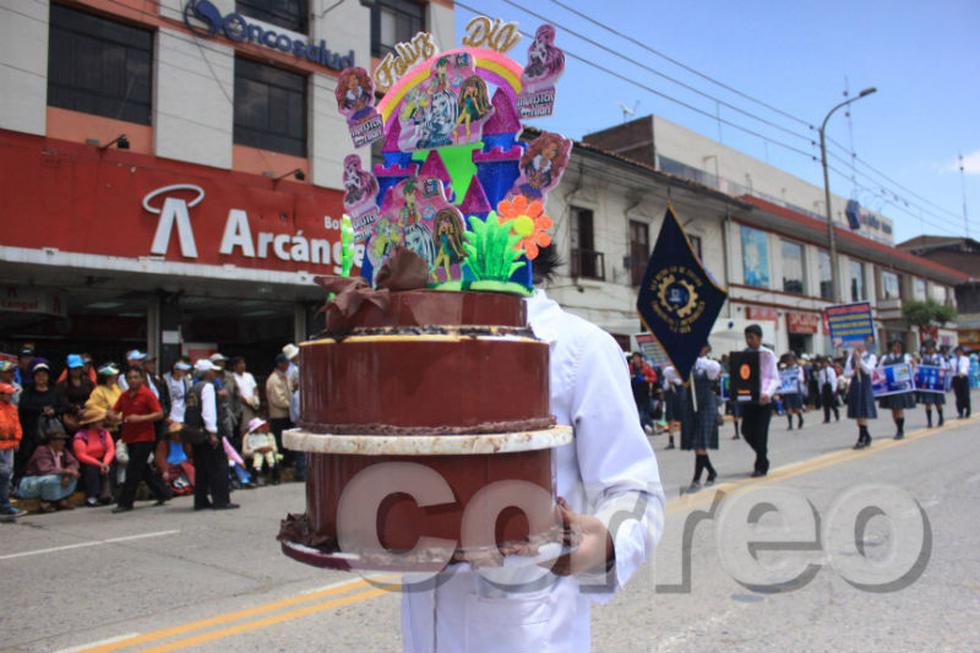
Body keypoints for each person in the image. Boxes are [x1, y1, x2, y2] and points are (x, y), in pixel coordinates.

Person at [401, 252, 664, 653]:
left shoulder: (579, 349)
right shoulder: (416, 346)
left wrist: (608, 539)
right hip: (426, 624)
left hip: (529, 628)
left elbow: (635, 489)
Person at [111, 366, 170, 513]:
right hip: (129, 436)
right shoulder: (124, 396)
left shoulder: (147, 394)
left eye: (136, 377)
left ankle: (125, 502)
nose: (133, 380)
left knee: (133, 469)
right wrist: (111, 415)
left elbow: (159, 414)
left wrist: (140, 418)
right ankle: (163, 493)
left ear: (141, 379)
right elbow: (115, 410)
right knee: (142, 468)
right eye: (130, 378)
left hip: (145, 437)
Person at [185, 359, 238, 510]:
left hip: (196, 433)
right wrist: (213, 433)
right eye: (212, 371)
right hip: (208, 433)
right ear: (207, 373)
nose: (215, 373)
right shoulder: (207, 387)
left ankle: (200, 501)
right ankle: (221, 500)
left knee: (201, 468)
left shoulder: (193, 387)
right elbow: (208, 412)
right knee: (218, 467)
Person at [16, 361, 67, 484]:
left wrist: (53, 411)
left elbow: (63, 407)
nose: (41, 378)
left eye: (44, 375)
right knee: (27, 456)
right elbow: (23, 407)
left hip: (51, 432)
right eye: (38, 375)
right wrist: (41, 410)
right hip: (31, 431)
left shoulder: (55, 392)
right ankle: (21, 482)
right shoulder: (27, 392)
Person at [739, 325, 780, 477]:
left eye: (752, 337)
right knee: (746, 431)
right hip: (749, 399)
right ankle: (763, 454)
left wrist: (767, 393)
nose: (749, 341)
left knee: (761, 433)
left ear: (759, 338)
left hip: (764, 400)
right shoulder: (744, 354)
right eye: (747, 338)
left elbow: (774, 378)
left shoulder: (768, 354)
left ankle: (760, 465)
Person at [681, 345, 721, 492]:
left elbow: (715, 368)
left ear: (707, 349)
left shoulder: (709, 366)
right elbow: (670, 373)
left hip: (706, 405)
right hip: (692, 405)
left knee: (701, 444)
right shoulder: (687, 366)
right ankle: (711, 471)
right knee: (697, 445)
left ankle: (696, 479)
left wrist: (696, 361)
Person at [18, 429, 80, 512]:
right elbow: (45, 469)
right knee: (51, 480)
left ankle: (60, 499)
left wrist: (69, 473)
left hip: (58, 476)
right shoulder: (42, 451)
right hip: (32, 481)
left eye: (63, 440)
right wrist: (66, 472)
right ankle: (47, 501)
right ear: (52, 441)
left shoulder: (63, 451)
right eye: (60, 440)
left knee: (73, 477)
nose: (63, 443)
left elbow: (74, 463)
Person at [71, 407, 115, 506]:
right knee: (92, 470)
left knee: (110, 468)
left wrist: (105, 463)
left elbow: (110, 449)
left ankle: (107, 494)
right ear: (92, 423)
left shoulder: (104, 433)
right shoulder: (80, 436)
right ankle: (92, 496)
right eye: (99, 421)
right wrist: (99, 464)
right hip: (88, 462)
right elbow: (81, 455)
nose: (102, 423)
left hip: (103, 459)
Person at [877, 340, 916, 439]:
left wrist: (913, 366)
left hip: (900, 387)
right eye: (895, 346)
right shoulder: (885, 358)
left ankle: (900, 429)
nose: (896, 348)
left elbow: (911, 370)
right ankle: (898, 427)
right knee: (893, 409)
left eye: (898, 346)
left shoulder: (906, 357)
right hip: (890, 387)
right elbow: (879, 370)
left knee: (899, 408)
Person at [844, 342, 878, 449]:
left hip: (864, 385)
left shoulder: (871, 356)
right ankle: (865, 435)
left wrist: (860, 360)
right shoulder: (851, 357)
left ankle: (862, 437)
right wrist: (853, 372)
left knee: (863, 411)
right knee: (858, 412)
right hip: (855, 384)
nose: (857, 347)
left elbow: (868, 370)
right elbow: (846, 373)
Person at [0, 382, 26, 520]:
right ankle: (4, 505)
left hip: (9, 445)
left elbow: (17, 425)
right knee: (3, 474)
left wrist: (16, 439)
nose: (11, 396)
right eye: (7, 393)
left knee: (6, 474)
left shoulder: (12, 408)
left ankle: (5, 504)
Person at [266, 353, 295, 470]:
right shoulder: (274, 380)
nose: (288, 365)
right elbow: (279, 400)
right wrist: (292, 406)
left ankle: (287, 463)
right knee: (280, 442)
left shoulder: (285, 377)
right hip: (279, 416)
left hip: (287, 415)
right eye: (286, 363)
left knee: (287, 442)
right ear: (280, 364)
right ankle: (280, 466)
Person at [57, 354, 94, 434]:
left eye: (79, 368)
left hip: (87, 414)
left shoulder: (88, 383)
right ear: (69, 369)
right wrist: (75, 408)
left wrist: (85, 409)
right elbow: (62, 401)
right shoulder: (62, 385)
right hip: (70, 417)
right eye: (74, 369)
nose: (77, 371)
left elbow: (93, 398)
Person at [85, 364, 123, 439]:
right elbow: (89, 405)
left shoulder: (116, 388)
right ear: (107, 377)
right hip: (108, 429)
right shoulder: (98, 391)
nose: (116, 376)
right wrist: (105, 412)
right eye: (113, 375)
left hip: (121, 425)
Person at [917, 340, 946, 428]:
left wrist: (941, 378)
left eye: (931, 348)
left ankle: (941, 417)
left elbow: (943, 369)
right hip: (927, 383)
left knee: (938, 403)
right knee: (928, 403)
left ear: (934, 349)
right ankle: (929, 421)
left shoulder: (939, 358)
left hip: (936, 383)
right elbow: (920, 369)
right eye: (928, 348)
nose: (929, 350)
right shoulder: (924, 359)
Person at [242, 417, 279, 485]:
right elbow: (244, 451)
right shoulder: (248, 436)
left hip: (268, 453)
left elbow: (275, 449)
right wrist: (256, 450)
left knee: (273, 459)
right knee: (256, 462)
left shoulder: (269, 435)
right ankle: (253, 480)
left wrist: (268, 449)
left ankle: (275, 478)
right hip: (253, 456)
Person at [230, 357, 260, 436]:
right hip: (242, 406)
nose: (243, 365)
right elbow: (237, 394)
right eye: (240, 364)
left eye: (243, 363)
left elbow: (255, 388)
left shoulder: (249, 375)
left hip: (253, 404)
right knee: (245, 429)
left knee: (255, 427)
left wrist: (255, 400)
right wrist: (248, 403)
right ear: (234, 366)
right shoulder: (232, 377)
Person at [628, 352, 656, 435]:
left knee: (643, 412)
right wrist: (631, 377)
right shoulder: (630, 367)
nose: (635, 359)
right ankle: (647, 427)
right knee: (638, 411)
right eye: (634, 357)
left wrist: (646, 379)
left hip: (644, 392)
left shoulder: (646, 367)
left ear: (640, 358)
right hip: (634, 392)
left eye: (637, 357)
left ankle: (644, 428)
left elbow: (654, 378)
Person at [162, 360, 193, 425]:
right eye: (182, 369)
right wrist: (166, 416)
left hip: (182, 416)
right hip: (170, 417)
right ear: (175, 370)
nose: (184, 371)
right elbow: (162, 399)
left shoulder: (186, 381)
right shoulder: (165, 381)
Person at [780, 353, 805, 431]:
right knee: (788, 407)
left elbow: (801, 379)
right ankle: (790, 424)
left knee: (797, 408)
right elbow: (781, 378)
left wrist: (795, 376)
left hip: (795, 390)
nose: (789, 362)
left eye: (790, 360)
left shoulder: (798, 368)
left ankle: (800, 418)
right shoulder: (784, 369)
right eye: (787, 360)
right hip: (787, 390)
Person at [661, 364, 684, 449]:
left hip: (680, 396)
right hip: (670, 397)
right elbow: (665, 386)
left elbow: (682, 382)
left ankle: (685, 439)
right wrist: (669, 384)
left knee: (683, 418)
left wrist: (674, 381)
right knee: (670, 418)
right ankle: (671, 441)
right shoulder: (668, 373)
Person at [951, 345, 972, 418]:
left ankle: (968, 410)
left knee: (965, 395)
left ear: (962, 352)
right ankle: (960, 412)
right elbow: (951, 369)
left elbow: (965, 366)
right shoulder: (952, 360)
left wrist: (962, 373)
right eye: (957, 352)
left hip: (963, 377)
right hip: (956, 378)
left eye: (959, 351)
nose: (958, 353)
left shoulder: (965, 359)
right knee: (958, 396)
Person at [818, 357, 840, 423]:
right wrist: (820, 390)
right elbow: (820, 382)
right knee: (825, 404)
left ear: (828, 363)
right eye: (823, 363)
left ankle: (836, 414)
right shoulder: (821, 372)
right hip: (824, 387)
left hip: (830, 386)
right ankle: (827, 418)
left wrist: (834, 388)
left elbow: (834, 380)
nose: (824, 364)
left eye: (825, 363)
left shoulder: (831, 370)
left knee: (832, 402)